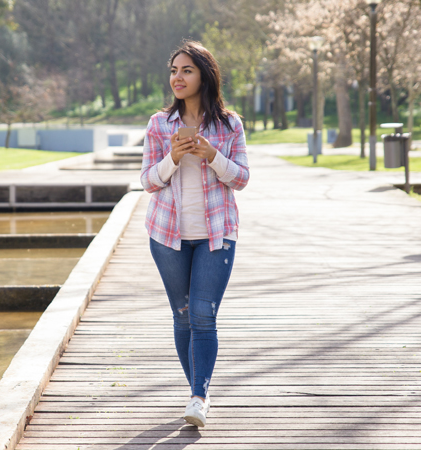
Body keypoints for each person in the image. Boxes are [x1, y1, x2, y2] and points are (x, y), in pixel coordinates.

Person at [139, 40, 250, 428]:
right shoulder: (159, 125)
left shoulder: (229, 125)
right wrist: (172, 158)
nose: (178, 77)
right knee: (183, 315)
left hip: (216, 235)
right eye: (173, 71)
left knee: (204, 314)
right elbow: (148, 182)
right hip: (167, 236)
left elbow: (242, 178)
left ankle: (199, 397)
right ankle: (196, 393)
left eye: (186, 70)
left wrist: (212, 156)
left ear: (204, 74)